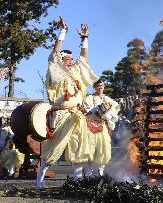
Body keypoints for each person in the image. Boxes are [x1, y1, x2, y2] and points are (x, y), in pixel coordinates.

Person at [36, 16, 98, 188]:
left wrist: (84, 39)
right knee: (54, 147)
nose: (71, 61)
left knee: (78, 148)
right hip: (61, 114)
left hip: (77, 115)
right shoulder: (56, 72)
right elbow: (55, 54)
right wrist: (63, 31)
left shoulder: (76, 72)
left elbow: (83, 59)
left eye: (71, 59)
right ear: (61, 61)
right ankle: (40, 177)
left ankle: (78, 181)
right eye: (68, 59)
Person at [84, 79, 120, 177]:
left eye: (101, 85)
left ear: (104, 87)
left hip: (103, 126)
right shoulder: (90, 98)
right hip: (92, 126)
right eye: (98, 86)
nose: (100, 87)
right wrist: (96, 110)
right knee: (91, 148)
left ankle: (101, 171)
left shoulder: (108, 99)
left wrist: (107, 116)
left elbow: (114, 111)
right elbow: (87, 112)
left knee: (104, 148)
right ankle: (89, 170)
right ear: (95, 87)